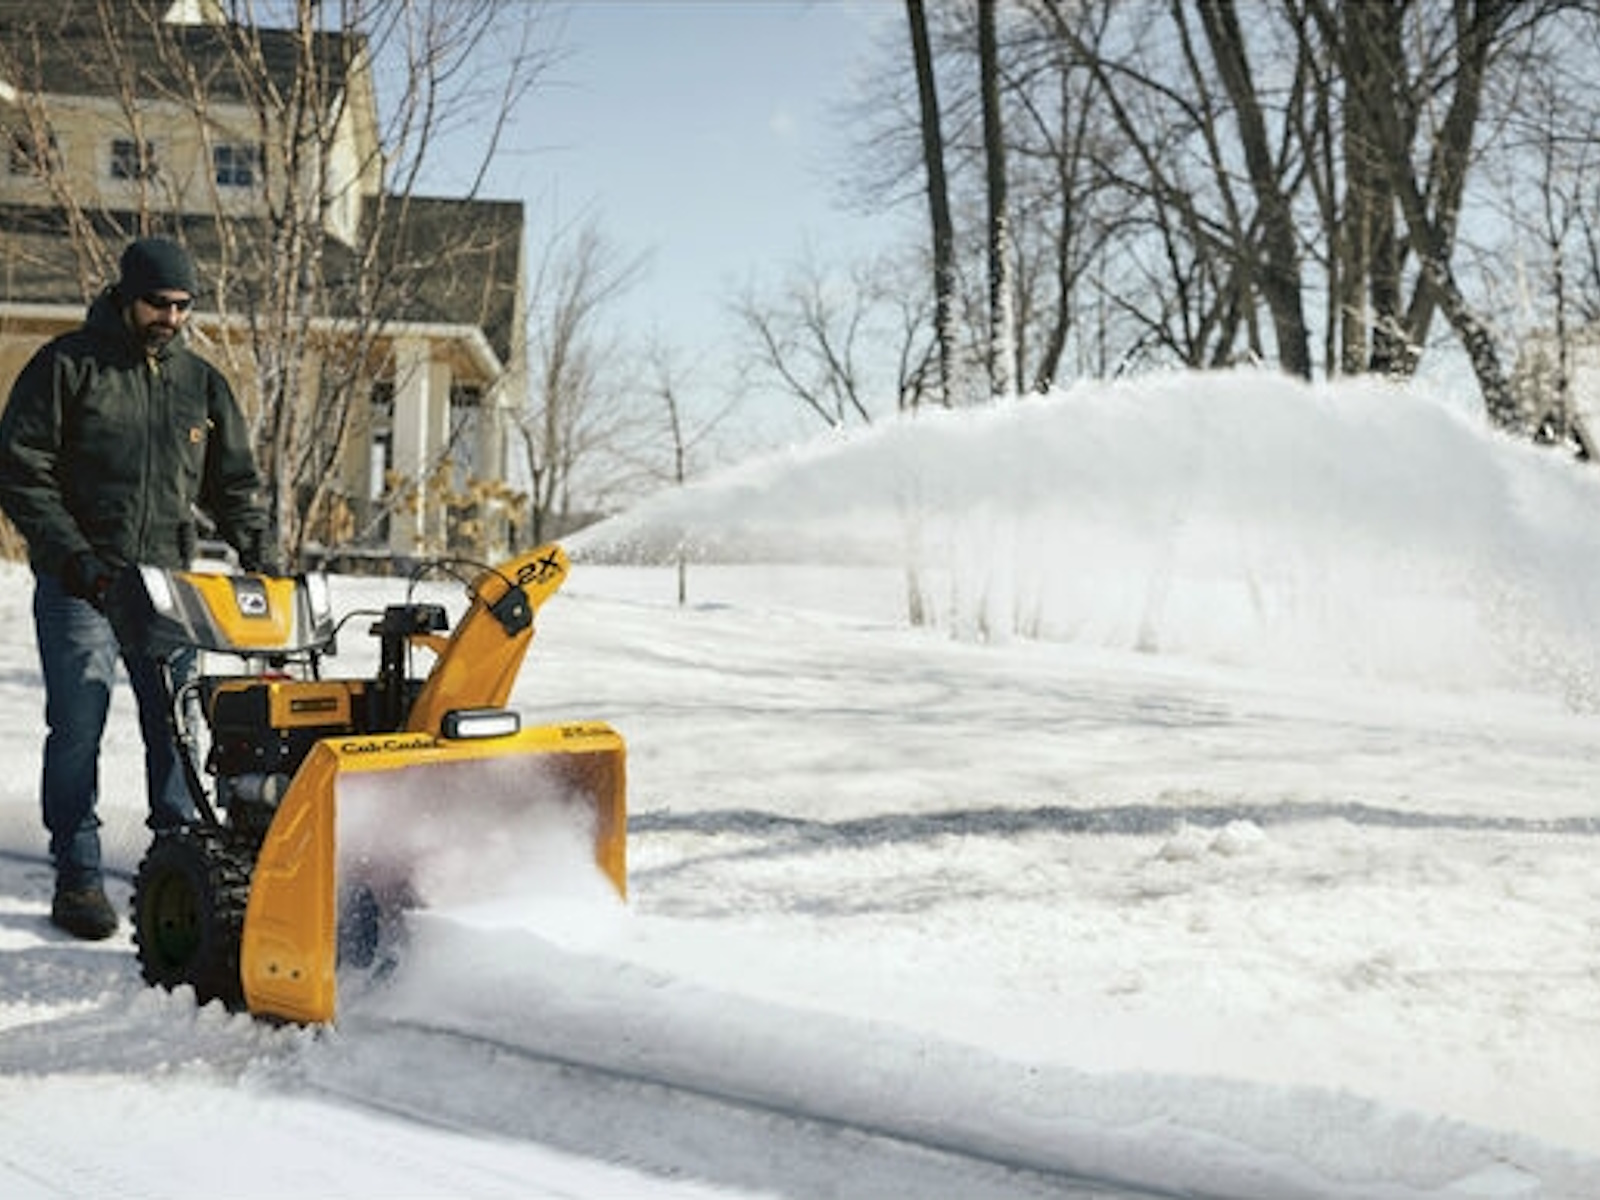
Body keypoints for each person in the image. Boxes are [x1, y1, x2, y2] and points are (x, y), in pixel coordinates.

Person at [0, 237, 276, 940]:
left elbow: (233, 485)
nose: (171, 318)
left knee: (178, 727)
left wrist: (261, 551)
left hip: (167, 587)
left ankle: (177, 868)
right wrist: (76, 560)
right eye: (158, 303)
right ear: (126, 295)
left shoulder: (200, 383)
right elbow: (21, 471)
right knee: (78, 726)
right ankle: (78, 872)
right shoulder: (68, 366)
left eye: (183, 306)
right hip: (82, 584)